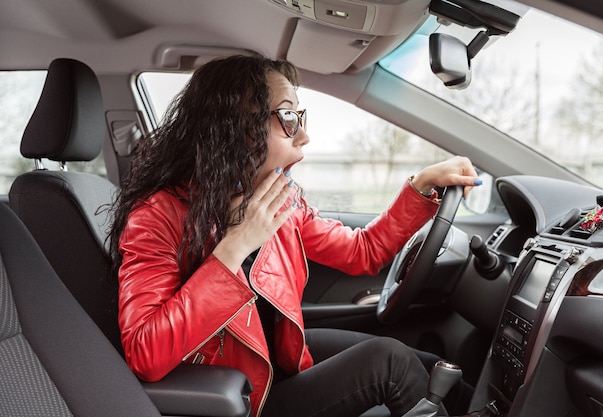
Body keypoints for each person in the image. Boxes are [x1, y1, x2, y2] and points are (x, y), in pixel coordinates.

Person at [107, 54, 482, 417]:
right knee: (390, 362)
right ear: (236, 126)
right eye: (288, 117)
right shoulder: (158, 215)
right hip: (239, 397)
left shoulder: (279, 200)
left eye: (299, 115)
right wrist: (235, 246)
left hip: (276, 365)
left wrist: (421, 185)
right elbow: (145, 354)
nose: (304, 135)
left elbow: (362, 251)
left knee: (430, 365)